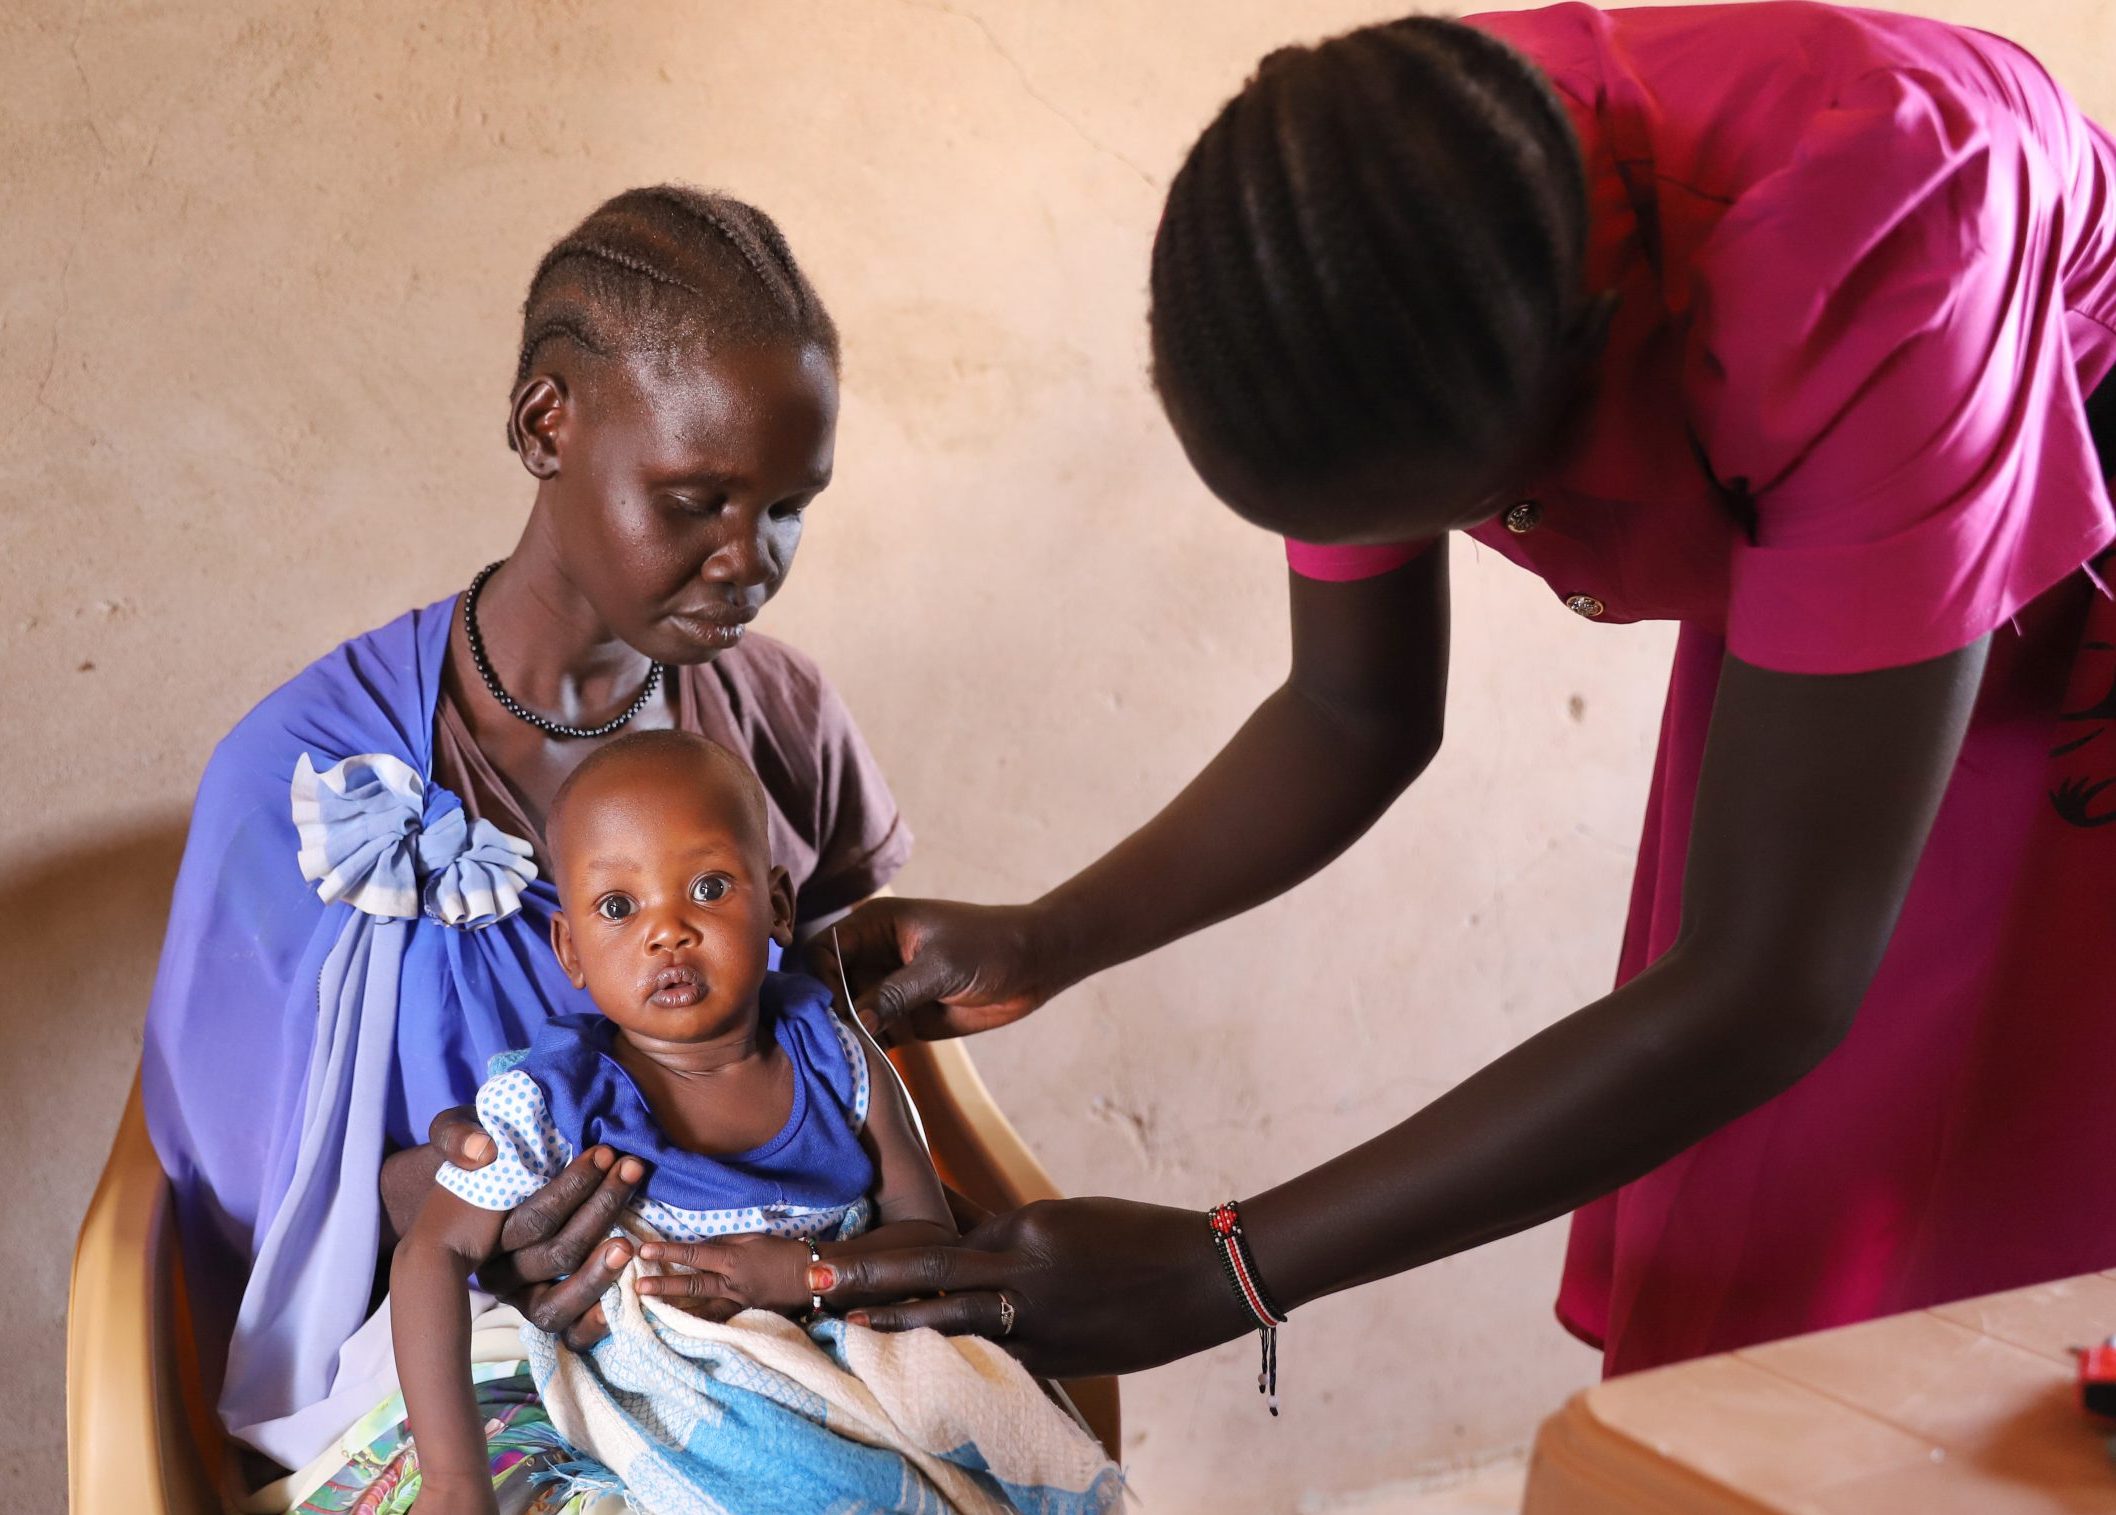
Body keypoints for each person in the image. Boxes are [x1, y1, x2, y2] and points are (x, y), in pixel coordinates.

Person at [786, 3, 2116, 1388]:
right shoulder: (1353, 228)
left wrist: (1224, 1265)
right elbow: (1353, 709)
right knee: (1758, 1243)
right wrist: (1049, 936)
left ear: (1591, 358)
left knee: (1958, 1276)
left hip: (2073, 618)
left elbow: (1766, 984)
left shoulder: (1869, 254)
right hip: (1859, 573)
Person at [142, 186, 912, 1511]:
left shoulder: (780, 718)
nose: (751, 559)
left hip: (781, 1347)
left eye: (791, 506)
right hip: (448, 1372)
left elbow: (858, 1061)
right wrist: (437, 1195)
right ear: (547, 424)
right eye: (698, 499)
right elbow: (220, 1201)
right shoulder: (308, 781)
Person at [393, 730, 1114, 1515]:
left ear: (777, 906)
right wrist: (453, 1479)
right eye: (618, 906)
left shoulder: (837, 1056)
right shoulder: (553, 1096)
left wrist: (804, 1273)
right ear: (571, 948)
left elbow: (928, 1236)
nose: (667, 930)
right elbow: (434, 1249)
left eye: (707, 887)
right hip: (664, 1397)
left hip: (843, 1365)